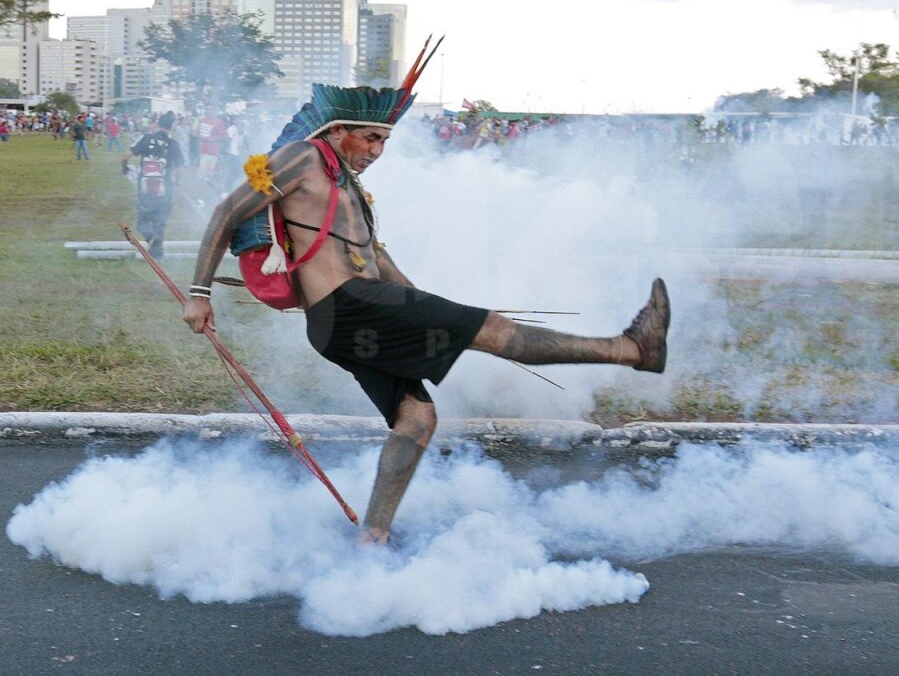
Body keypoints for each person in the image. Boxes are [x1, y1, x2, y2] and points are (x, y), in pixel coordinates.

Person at [181, 84, 671, 546]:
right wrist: (199, 293)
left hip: (343, 320)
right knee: (497, 331)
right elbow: (228, 210)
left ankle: (373, 540)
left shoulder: (344, 182)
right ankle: (632, 349)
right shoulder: (303, 157)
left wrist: (420, 303)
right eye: (370, 137)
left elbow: (374, 256)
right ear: (336, 131)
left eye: (384, 141)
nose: (376, 151)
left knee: (416, 418)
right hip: (349, 306)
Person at [124, 111, 185, 260]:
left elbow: (127, 154)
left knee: (142, 221)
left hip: (146, 186)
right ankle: (158, 255)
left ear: (158, 125)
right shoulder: (173, 144)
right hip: (165, 188)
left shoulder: (146, 139)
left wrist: (124, 167)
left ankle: (152, 239)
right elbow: (176, 169)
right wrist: (175, 180)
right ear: (171, 128)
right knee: (160, 221)